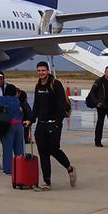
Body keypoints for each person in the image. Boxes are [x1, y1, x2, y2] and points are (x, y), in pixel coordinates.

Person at [30, 62, 75, 190]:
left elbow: (61, 105)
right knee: (43, 153)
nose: (41, 73)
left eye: (43, 70)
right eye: (39, 70)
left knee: (53, 149)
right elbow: (36, 105)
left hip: (54, 124)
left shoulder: (55, 84)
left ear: (48, 71)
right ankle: (47, 182)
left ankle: (69, 168)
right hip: (41, 125)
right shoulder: (38, 86)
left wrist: (57, 122)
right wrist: (31, 119)